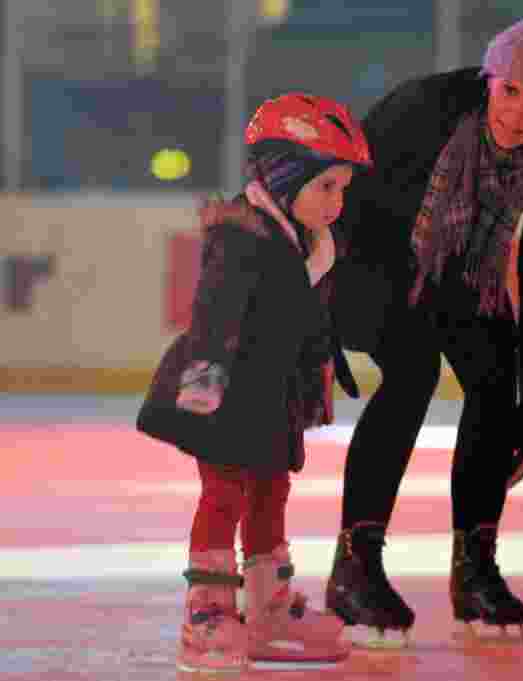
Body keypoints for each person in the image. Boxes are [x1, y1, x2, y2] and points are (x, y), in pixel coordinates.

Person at [324, 12, 523, 645]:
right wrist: (317, 305)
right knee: (413, 369)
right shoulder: (424, 105)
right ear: (490, 76)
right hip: (368, 260)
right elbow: (337, 200)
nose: (521, 114)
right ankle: (355, 564)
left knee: (501, 379)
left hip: (464, 271)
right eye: (511, 92)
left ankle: (475, 567)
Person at [136, 93, 371, 673]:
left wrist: (313, 383)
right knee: (224, 495)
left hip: (271, 398)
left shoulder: (310, 241)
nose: (337, 203)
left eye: (343, 188)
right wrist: (203, 384)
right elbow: (214, 314)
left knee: (270, 493)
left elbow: (309, 325)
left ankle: (268, 612)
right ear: (285, 177)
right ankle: (208, 612)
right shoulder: (242, 234)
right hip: (224, 395)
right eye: (326, 188)